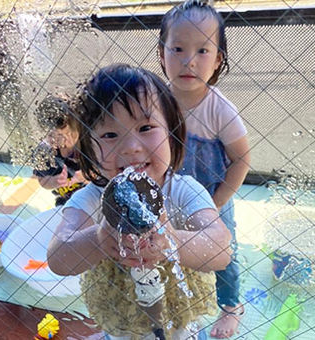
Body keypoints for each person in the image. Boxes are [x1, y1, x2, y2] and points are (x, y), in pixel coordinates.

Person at [47, 64, 232, 339]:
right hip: (123, 329)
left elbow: (221, 248)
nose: (131, 147)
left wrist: (173, 241)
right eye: (110, 135)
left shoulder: (182, 190)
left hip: (181, 327)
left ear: (172, 133)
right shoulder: (92, 197)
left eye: (146, 127)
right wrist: (97, 240)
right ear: (88, 147)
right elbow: (57, 258)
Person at [158, 0, 251, 337]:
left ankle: (230, 304)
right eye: (178, 49)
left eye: (202, 50)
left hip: (212, 197)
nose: (188, 61)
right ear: (161, 54)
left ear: (217, 61)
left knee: (225, 253)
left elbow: (241, 159)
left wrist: (219, 201)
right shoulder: (156, 100)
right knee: (170, 247)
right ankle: (178, 298)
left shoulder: (220, 109)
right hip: (169, 193)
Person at [32, 94, 86, 207]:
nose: (67, 140)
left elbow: (106, 170)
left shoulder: (88, 142)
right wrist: (55, 181)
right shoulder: (44, 153)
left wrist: (87, 176)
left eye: (70, 133)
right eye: (56, 137)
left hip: (95, 192)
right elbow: (42, 181)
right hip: (66, 200)